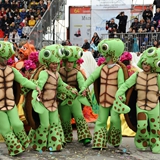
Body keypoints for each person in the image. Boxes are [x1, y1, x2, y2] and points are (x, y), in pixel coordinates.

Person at [28, 44, 78, 152]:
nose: (55, 66)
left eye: (56, 63)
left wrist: (70, 89)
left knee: (55, 124)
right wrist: (37, 92)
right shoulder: (44, 73)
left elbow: (61, 85)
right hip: (43, 104)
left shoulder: (57, 75)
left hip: (53, 104)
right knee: (45, 125)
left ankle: (55, 145)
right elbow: (39, 85)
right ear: (48, 63)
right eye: (53, 63)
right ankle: (39, 145)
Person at [80, 38, 126, 149]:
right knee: (101, 120)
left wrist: (121, 95)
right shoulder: (102, 68)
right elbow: (92, 77)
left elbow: (121, 84)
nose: (105, 56)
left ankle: (114, 139)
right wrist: (84, 86)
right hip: (103, 99)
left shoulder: (118, 69)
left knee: (115, 120)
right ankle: (99, 142)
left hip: (114, 100)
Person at [113, 47, 160, 153]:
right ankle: (144, 141)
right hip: (140, 105)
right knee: (141, 126)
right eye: (144, 63)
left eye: (148, 64)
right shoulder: (137, 75)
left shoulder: (157, 77)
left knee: (155, 127)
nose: (146, 66)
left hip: (154, 106)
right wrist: (119, 94)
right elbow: (125, 85)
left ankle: (156, 143)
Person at [0, 41, 41, 156]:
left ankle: (24, 142)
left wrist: (35, 86)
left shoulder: (12, 70)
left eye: (6, 57)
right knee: (5, 129)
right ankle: (15, 148)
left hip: (10, 103)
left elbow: (23, 81)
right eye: (3, 57)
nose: (5, 60)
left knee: (18, 124)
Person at [58, 46, 92, 145]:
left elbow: (82, 84)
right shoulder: (59, 72)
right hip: (62, 99)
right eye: (68, 62)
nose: (70, 64)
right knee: (64, 119)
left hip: (75, 99)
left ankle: (85, 136)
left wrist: (83, 90)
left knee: (79, 117)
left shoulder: (77, 73)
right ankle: (66, 136)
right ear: (64, 61)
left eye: (72, 62)